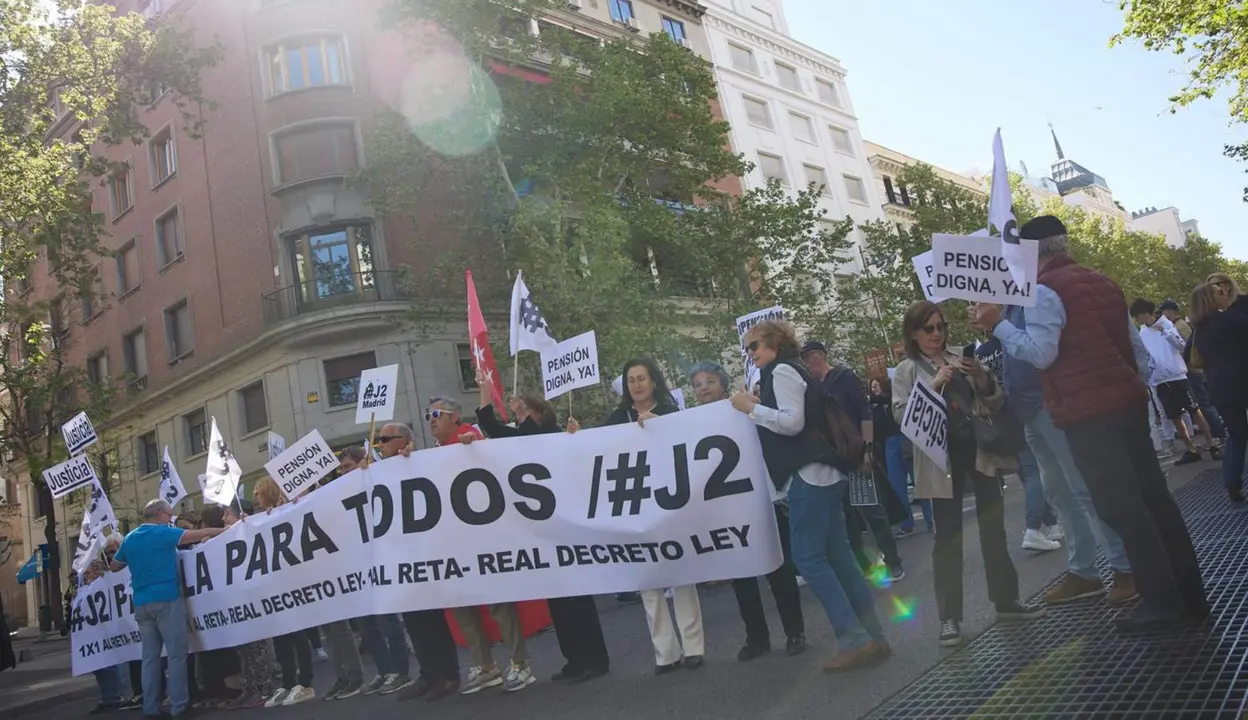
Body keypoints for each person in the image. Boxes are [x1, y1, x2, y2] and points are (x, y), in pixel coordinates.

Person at [969, 215, 1209, 631]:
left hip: (1088, 414)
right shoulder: (1103, 281)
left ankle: (1162, 602)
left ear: (1031, 252)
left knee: (1123, 507)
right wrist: (1132, 387)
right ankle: (1190, 595)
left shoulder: (1044, 290)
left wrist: (999, 326)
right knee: (1155, 501)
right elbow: (1135, 351)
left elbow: (1041, 353)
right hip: (1127, 403)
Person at [732, 321, 891, 670]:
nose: (750, 353)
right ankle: (873, 636)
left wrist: (750, 408)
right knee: (841, 559)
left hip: (808, 475)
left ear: (774, 343)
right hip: (824, 473)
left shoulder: (781, 371)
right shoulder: (794, 369)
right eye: (747, 348)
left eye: (754, 345)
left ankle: (854, 640)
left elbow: (792, 423)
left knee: (809, 559)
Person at [894, 301, 1044, 647]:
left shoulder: (962, 356)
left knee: (994, 531)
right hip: (939, 461)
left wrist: (980, 377)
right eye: (929, 328)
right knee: (947, 539)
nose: (937, 334)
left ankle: (1006, 600)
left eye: (941, 326)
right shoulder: (906, 370)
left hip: (979, 454)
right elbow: (901, 417)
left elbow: (996, 401)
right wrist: (934, 383)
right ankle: (949, 618)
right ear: (913, 334)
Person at [985, 297, 1138, 606]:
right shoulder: (1012, 304)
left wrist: (998, 325)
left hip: (1050, 403)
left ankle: (1126, 568)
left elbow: (1041, 352)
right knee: (1059, 493)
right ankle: (1084, 572)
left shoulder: (1035, 295)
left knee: (1084, 488)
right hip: (1030, 409)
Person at [469, 370, 611, 684]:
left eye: (526, 412)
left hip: (567, 529)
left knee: (577, 600)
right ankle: (574, 659)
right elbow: (491, 426)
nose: (520, 418)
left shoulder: (556, 435)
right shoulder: (519, 439)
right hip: (541, 532)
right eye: (519, 414)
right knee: (558, 602)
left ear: (540, 413)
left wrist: (523, 416)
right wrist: (485, 390)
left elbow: (538, 440)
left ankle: (595, 659)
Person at [690, 361, 806, 661]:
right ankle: (757, 637)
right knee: (742, 577)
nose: (704, 388)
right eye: (698, 384)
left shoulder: (741, 407)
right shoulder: (689, 423)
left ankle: (795, 631)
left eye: (709, 381)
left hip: (760, 501)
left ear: (723, 384)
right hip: (724, 510)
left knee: (778, 569)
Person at [595, 358, 705, 674]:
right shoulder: (617, 418)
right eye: (631, 380)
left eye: (641, 378)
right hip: (635, 505)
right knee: (648, 580)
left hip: (669, 502)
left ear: (653, 381)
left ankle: (693, 647)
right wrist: (575, 435)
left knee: (681, 575)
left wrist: (661, 427)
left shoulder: (670, 412)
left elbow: (688, 445)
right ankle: (665, 652)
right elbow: (596, 449)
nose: (637, 385)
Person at [447, 376, 541, 694]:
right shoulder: (432, 453)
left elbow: (491, 432)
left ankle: (519, 663)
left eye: (435, 415)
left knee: (499, 602)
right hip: (455, 544)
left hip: (485, 538)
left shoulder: (470, 438)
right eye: (427, 416)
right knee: (463, 605)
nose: (429, 421)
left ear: (452, 417)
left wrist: (485, 392)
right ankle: (485, 666)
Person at [800, 341, 906, 581]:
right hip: (832, 459)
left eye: (807, 357)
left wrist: (867, 448)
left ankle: (893, 562)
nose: (805, 363)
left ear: (818, 356)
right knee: (846, 517)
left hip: (855, 454)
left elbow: (865, 412)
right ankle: (863, 566)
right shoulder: (811, 388)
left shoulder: (844, 377)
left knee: (872, 510)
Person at [109, 499, 222, 719]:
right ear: (160, 514)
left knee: (150, 658)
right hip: (167, 598)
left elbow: (114, 566)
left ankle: (150, 708)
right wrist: (225, 530)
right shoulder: (163, 533)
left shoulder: (130, 538)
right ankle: (180, 706)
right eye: (169, 515)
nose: (171, 519)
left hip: (141, 603)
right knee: (176, 654)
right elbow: (198, 534)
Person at [383, 416, 462, 701]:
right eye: (379, 440)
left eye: (385, 439)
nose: (380, 445)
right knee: (414, 620)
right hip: (399, 556)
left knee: (431, 620)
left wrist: (411, 458)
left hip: (425, 553)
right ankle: (428, 674)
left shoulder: (419, 462)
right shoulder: (379, 472)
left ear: (404, 442)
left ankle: (447, 675)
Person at [973, 335, 1062, 553]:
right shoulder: (1011, 344)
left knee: (1026, 472)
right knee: (1033, 472)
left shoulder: (981, 353)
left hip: (999, 419)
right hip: (1020, 411)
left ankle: (1051, 523)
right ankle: (1033, 528)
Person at [1129, 297, 1221, 465]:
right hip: (1159, 381)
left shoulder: (1166, 324)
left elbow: (1181, 346)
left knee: (1195, 410)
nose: (1137, 320)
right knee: (1174, 416)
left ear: (1145, 313)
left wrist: (1166, 332)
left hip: (1177, 376)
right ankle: (1191, 448)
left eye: (1137, 316)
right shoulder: (1142, 333)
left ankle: (1212, 443)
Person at [252, 478, 317, 707]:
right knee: (281, 637)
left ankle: (305, 683)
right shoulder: (260, 518)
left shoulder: (287, 510)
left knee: (298, 634)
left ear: (268, 493)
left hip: (293, 580)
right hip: (274, 584)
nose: (256, 498)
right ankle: (288, 683)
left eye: (258, 493)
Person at [1191, 277, 1248, 501]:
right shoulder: (1231, 319)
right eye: (1219, 292)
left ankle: (1232, 481)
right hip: (1242, 380)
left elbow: (1190, 356)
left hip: (1219, 387)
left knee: (1236, 434)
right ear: (1210, 299)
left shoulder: (1199, 330)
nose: (1224, 293)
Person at [319, 447, 367, 702]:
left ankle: (355, 675)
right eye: (341, 469)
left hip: (345, 561)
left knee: (342, 626)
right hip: (324, 565)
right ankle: (342, 676)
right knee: (329, 627)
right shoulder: (329, 492)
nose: (343, 472)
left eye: (347, 467)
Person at [219, 500, 276, 711]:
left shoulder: (252, 529)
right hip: (238, 600)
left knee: (258, 647)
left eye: (227, 514)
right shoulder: (225, 536)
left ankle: (264, 688)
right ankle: (250, 689)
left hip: (255, 597)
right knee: (244, 648)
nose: (223, 518)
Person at [870, 377, 932, 533]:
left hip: (905, 440)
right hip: (889, 444)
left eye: (876, 386)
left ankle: (931, 518)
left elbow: (888, 401)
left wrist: (872, 398)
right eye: (872, 387)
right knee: (897, 485)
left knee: (918, 480)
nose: (874, 389)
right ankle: (906, 523)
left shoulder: (893, 398)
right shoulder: (875, 408)